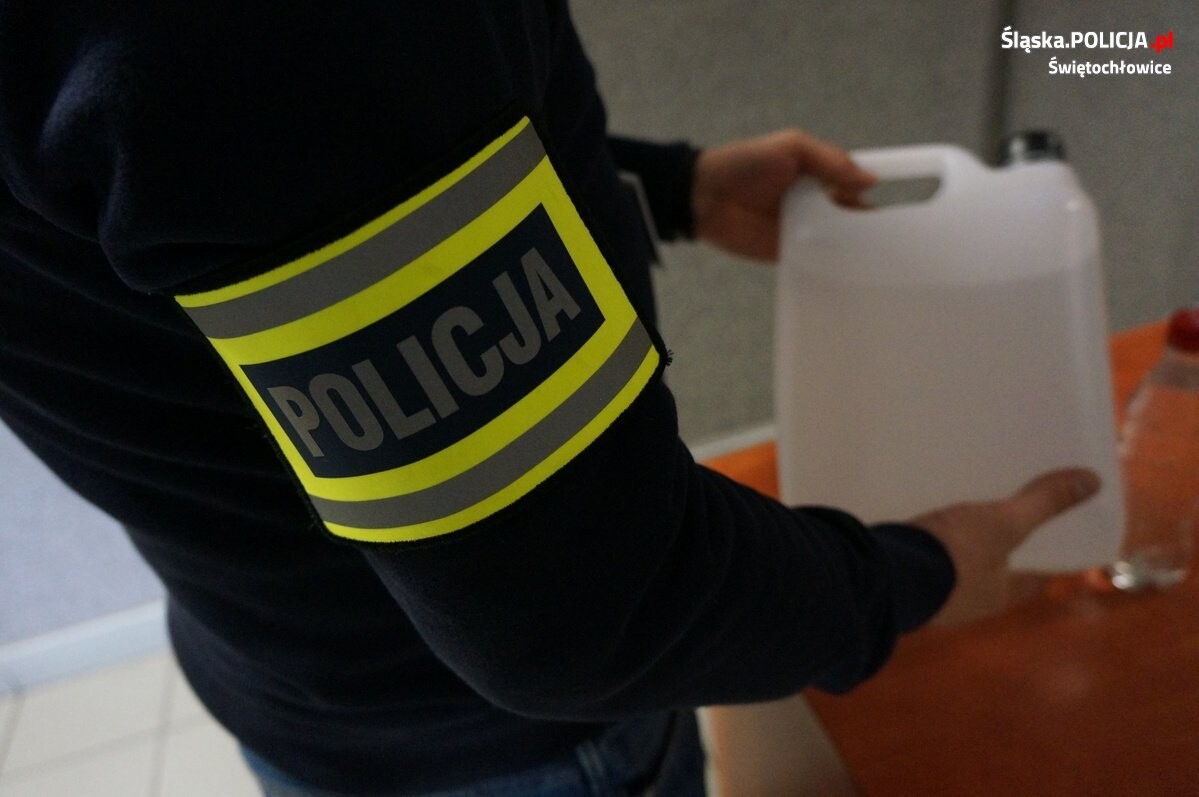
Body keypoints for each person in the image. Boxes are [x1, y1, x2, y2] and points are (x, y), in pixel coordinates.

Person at [0, 3, 1098, 795]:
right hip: (505, 750)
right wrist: (913, 572)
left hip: (290, 670)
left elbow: (263, 182)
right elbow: (595, 608)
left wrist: (660, 184)